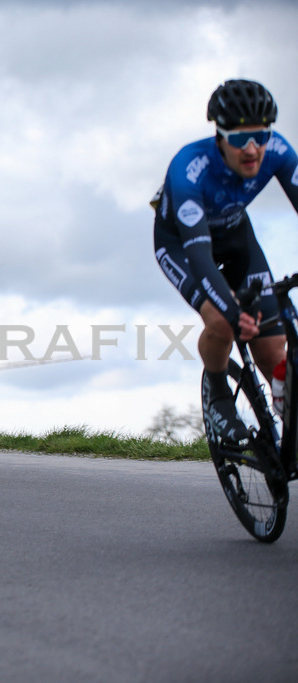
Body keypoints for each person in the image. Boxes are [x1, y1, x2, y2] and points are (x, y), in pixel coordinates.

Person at [153, 79, 298, 447]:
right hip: (183, 246)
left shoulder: (279, 151)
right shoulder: (189, 168)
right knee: (222, 321)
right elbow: (199, 254)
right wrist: (232, 311)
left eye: (260, 137)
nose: (252, 150)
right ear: (219, 137)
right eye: (239, 140)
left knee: (273, 346)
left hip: (235, 236)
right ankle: (218, 397)